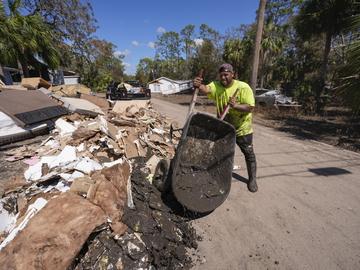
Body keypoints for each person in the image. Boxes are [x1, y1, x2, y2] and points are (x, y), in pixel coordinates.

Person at [193, 63, 258, 192]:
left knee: (249, 154)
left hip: (242, 129)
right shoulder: (216, 85)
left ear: (232, 74)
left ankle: (252, 179)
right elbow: (206, 89)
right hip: (224, 127)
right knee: (221, 152)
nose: (223, 77)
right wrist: (198, 85)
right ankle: (218, 175)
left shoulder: (243, 87)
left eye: (226, 75)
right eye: (221, 75)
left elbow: (250, 107)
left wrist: (236, 106)